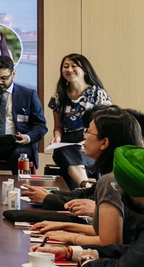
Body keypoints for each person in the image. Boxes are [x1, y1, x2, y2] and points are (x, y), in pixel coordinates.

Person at [28, 106, 144, 248]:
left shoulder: (111, 181)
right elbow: (107, 231)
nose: (84, 137)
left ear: (104, 142)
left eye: (88, 132)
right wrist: (64, 226)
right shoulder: (129, 172)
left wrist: (71, 237)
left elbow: (110, 243)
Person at [47, 54, 111, 183]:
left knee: (72, 157)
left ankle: (83, 186)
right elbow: (58, 127)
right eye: (66, 66)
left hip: (91, 141)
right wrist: (57, 137)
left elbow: (108, 125)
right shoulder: (58, 96)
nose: (69, 70)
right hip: (67, 143)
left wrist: (89, 140)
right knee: (64, 151)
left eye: (74, 66)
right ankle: (85, 186)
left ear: (85, 70)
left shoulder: (97, 93)